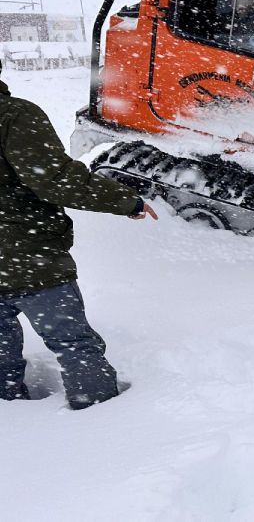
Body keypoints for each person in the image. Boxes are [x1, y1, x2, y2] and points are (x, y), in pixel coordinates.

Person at [0, 60, 157, 410]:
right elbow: (54, 178)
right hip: (28, 259)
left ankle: (8, 409)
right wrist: (125, 201)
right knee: (73, 344)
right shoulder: (14, 115)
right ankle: (99, 416)